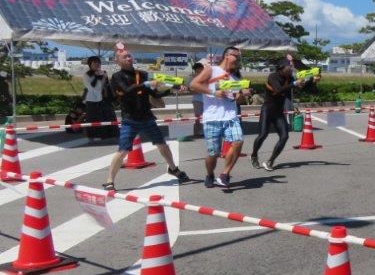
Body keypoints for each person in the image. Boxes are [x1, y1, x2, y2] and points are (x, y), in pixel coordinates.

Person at [103, 48, 189, 191]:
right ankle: (110, 180)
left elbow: (154, 93)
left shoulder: (142, 74)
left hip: (147, 117)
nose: (129, 58)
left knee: (162, 144)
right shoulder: (117, 77)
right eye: (124, 57)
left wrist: (172, 90)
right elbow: (126, 92)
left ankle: (173, 168)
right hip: (129, 119)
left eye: (129, 55)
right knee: (123, 150)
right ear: (117, 61)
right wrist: (146, 84)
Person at [189, 46, 251, 189]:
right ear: (227, 56)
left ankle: (224, 174)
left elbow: (236, 100)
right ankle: (210, 174)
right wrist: (213, 92)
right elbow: (193, 84)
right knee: (214, 153)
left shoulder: (235, 78)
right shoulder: (211, 70)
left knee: (238, 141)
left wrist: (243, 95)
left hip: (230, 116)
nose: (238, 59)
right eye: (236, 56)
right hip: (212, 118)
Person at [251, 58, 297, 170]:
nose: (291, 68)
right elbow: (278, 90)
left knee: (285, 136)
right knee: (263, 134)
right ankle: (254, 155)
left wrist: (293, 105)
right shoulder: (273, 76)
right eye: (289, 66)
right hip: (268, 109)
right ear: (282, 67)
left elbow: (288, 93)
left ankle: (270, 161)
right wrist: (294, 84)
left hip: (278, 111)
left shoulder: (290, 78)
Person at [82, 56, 116, 141]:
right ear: (90, 64)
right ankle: (92, 136)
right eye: (95, 63)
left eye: (99, 62)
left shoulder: (103, 72)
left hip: (104, 98)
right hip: (91, 99)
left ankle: (108, 135)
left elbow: (107, 85)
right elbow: (93, 88)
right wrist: (98, 77)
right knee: (92, 118)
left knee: (107, 116)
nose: (97, 64)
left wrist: (104, 80)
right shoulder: (87, 75)